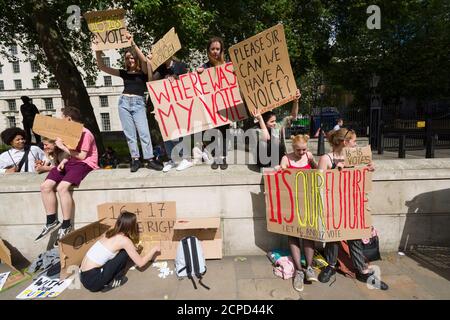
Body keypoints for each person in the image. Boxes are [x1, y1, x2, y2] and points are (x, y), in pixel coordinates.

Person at [317, 128, 388, 290]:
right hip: (333, 205)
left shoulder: (355, 157)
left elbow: (360, 177)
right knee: (333, 238)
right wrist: (337, 169)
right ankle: (330, 266)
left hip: (352, 205)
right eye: (354, 141)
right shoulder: (326, 159)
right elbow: (319, 184)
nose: (356, 144)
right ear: (344, 142)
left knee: (355, 238)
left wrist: (368, 169)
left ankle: (362, 270)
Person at [95, 34, 163, 172]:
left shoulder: (143, 72)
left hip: (138, 103)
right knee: (130, 133)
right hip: (124, 103)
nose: (130, 60)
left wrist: (132, 43)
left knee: (144, 132)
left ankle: (149, 159)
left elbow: (144, 60)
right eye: (127, 58)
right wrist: (97, 50)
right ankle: (135, 159)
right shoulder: (124, 73)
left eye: (131, 57)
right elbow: (102, 67)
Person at [35, 107, 98, 247]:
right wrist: (64, 160)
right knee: (45, 186)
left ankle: (66, 224)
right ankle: (51, 221)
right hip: (70, 162)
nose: (60, 121)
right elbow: (71, 153)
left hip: (85, 164)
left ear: (69, 119)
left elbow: (82, 156)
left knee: (62, 188)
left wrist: (62, 147)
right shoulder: (69, 132)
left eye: (62, 118)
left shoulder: (85, 133)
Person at [80, 211, 160, 292]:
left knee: (121, 252)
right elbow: (140, 263)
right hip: (93, 281)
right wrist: (154, 249)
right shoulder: (124, 241)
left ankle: (106, 280)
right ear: (130, 227)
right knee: (124, 254)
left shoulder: (109, 232)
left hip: (82, 276)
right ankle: (114, 281)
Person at [279, 134, 318, 291]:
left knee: (308, 234)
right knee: (293, 235)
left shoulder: (308, 156)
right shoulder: (286, 159)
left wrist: (312, 160)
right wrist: (281, 170)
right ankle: (298, 271)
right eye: (298, 150)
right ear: (292, 147)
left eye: (304, 149)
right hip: (291, 204)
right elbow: (280, 177)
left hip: (308, 202)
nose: (301, 152)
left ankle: (309, 267)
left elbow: (319, 172)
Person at [147, 54, 193, 172]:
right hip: (165, 107)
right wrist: (149, 63)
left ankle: (186, 158)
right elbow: (151, 82)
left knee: (179, 132)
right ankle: (172, 159)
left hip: (179, 105)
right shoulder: (160, 70)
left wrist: (175, 76)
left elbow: (187, 80)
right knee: (166, 133)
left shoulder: (180, 65)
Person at [197, 37, 229, 170]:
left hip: (225, 105)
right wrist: (198, 74)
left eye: (217, 49)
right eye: (213, 49)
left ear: (221, 50)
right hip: (210, 108)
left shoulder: (227, 65)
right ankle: (216, 157)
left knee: (225, 132)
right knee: (214, 133)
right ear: (208, 51)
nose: (215, 51)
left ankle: (224, 158)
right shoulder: (204, 67)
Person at [255, 89, 301, 168]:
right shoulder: (257, 129)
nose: (275, 123)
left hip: (276, 160)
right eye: (272, 122)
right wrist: (260, 118)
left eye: (275, 121)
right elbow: (266, 137)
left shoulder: (277, 126)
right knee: (263, 143)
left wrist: (296, 101)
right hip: (263, 161)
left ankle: (278, 164)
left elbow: (293, 116)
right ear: (265, 122)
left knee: (278, 145)